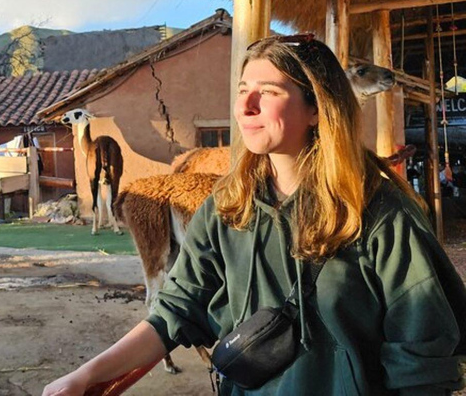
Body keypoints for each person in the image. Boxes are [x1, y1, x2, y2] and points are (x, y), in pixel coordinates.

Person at [42, 35, 466, 395]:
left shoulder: (380, 215)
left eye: (268, 92)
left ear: (317, 107)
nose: (245, 106)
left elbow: (422, 356)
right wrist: (84, 378)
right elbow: (175, 312)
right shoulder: (227, 207)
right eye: (242, 89)